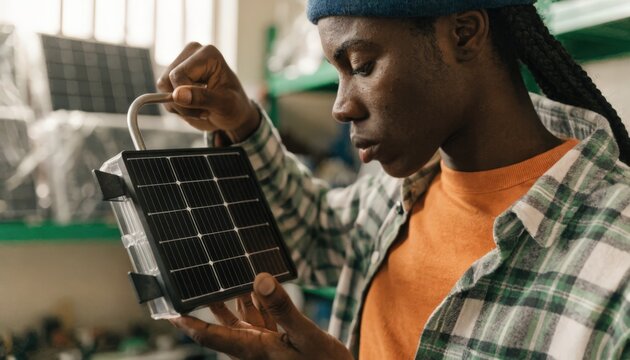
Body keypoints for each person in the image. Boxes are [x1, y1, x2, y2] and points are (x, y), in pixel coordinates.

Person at [159, 0, 630, 358]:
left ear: (463, 33)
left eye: (362, 65)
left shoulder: (616, 266)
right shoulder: (401, 191)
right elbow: (318, 234)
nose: (341, 106)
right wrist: (240, 121)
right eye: (338, 73)